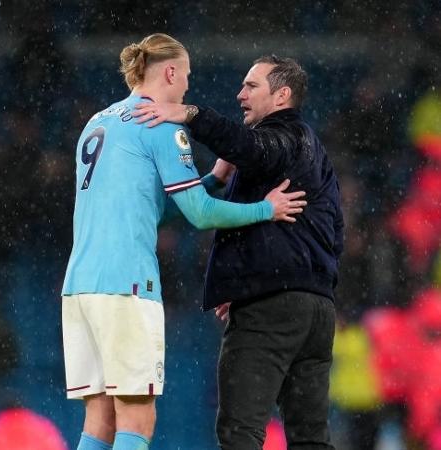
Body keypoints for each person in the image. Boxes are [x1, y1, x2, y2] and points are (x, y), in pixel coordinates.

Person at [61, 35, 307, 450]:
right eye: (187, 77)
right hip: (127, 285)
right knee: (137, 420)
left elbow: (153, 210)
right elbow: (201, 215)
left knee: (99, 420)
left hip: (80, 287)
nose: (187, 87)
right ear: (170, 72)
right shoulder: (160, 124)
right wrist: (266, 209)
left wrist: (213, 178)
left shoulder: (97, 122)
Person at [133, 55, 344, 450]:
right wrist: (289, 284)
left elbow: (250, 147)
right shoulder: (312, 153)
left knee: (240, 433)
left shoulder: (286, 135)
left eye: (251, 86)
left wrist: (190, 114)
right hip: (316, 312)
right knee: (311, 439)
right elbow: (335, 231)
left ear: (282, 95)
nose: (240, 93)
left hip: (274, 308)